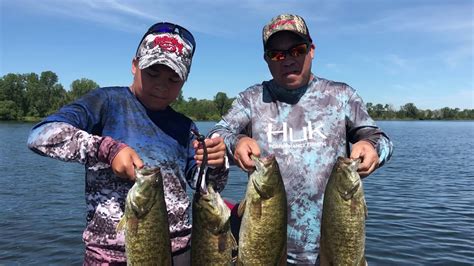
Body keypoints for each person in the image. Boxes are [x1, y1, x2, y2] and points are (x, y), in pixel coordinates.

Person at [27, 22, 228, 265]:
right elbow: (40, 136)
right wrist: (108, 150)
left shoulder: (185, 126)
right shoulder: (106, 102)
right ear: (135, 65)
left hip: (180, 252)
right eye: (153, 72)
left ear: (184, 80)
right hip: (109, 256)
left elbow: (204, 185)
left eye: (173, 78)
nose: (161, 85)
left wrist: (215, 164)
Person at [208, 14, 393, 264]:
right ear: (267, 60)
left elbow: (381, 139)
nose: (288, 60)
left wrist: (371, 147)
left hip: (333, 249)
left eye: (297, 50)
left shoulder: (341, 96)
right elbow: (216, 135)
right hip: (263, 247)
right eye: (277, 54)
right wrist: (236, 141)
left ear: (311, 50)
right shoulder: (252, 99)